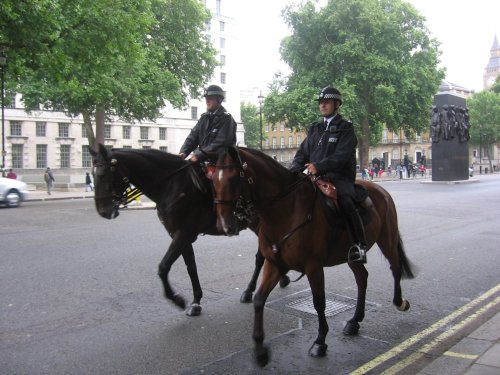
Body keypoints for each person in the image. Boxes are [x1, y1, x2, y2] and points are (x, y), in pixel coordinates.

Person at [291, 86, 367, 264]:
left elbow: (341, 156)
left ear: (336, 104)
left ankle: (359, 245)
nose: (322, 105)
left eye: (326, 102)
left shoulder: (345, 128)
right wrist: (294, 167)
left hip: (338, 177)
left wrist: (319, 166)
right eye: (321, 102)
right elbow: (303, 152)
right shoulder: (316, 128)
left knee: (346, 200)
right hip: (315, 177)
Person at [179, 85, 237, 164]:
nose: (207, 101)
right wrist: (183, 153)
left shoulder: (227, 119)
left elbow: (221, 143)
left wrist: (199, 155)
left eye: (210, 98)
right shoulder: (204, 118)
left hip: (221, 165)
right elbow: (192, 138)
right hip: (203, 161)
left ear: (219, 100)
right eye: (206, 99)